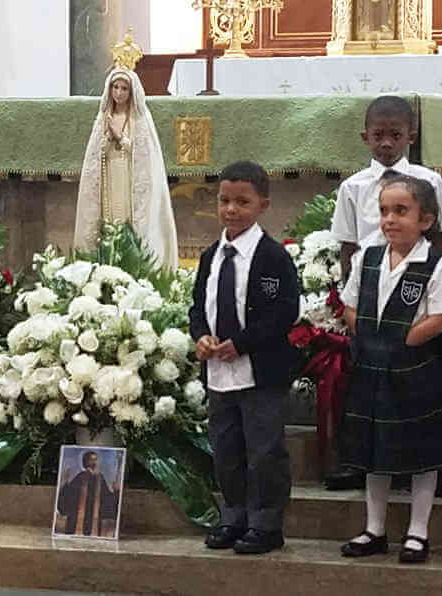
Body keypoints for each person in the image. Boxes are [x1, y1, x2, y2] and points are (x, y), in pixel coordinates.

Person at [338, 173, 442, 564]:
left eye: (400, 211)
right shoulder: (367, 258)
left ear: (425, 220)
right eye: (383, 211)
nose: (389, 219)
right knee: (374, 449)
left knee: (419, 453)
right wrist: (369, 335)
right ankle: (374, 528)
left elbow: (440, 317)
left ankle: (417, 531)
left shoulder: (436, 264)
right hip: (371, 369)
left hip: (414, 373)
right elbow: (350, 304)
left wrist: (401, 340)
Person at [189, 161, 299, 555]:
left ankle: (266, 523)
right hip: (219, 374)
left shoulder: (272, 257)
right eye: (224, 201)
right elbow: (197, 308)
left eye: (242, 202)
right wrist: (201, 337)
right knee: (226, 449)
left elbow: (285, 311)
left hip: (259, 372)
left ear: (262, 205)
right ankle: (232, 516)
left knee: (265, 450)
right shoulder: (210, 257)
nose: (231, 210)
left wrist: (243, 342)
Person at [331, 96, 442, 278]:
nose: (386, 143)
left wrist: (437, 275)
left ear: (411, 137)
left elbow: (440, 237)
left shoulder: (430, 180)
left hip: (418, 272)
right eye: (378, 135)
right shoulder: (352, 187)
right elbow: (348, 245)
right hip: (368, 274)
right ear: (365, 138)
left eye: (396, 135)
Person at [73, 66, 178, 269]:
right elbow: (96, 153)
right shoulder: (104, 117)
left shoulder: (139, 118)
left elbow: (142, 153)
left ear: (132, 92)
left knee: (125, 220)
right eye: (115, 87)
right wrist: (106, 138)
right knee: (109, 219)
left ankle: (129, 261)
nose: (119, 93)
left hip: (128, 177)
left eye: (124, 89)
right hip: (109, 175)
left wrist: (119, 136)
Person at [56, 450, 121, 537]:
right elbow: (68, 497)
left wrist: (116, 492)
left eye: (95, 460)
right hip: (76, 519)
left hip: (93, 520)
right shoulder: (80, 476)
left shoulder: (100, 478)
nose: (94, 462)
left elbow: (107, 500)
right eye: (91, 460)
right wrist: (66, 484)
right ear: (86, 461)